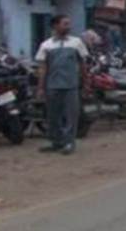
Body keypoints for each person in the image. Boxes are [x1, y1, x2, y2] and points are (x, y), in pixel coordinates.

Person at [35, 14, 90, 155]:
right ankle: (56, 142)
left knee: (71, 116)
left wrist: (86, 83)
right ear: (55, 26)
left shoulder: (76, 43)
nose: (68, 27)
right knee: (53, 116)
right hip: (52, 86)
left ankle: (69, 143)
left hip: (71, 85)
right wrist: (40, 87)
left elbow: (83, 65)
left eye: (68, 24)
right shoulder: (46, 45)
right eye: (65, 24)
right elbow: (42, 68)